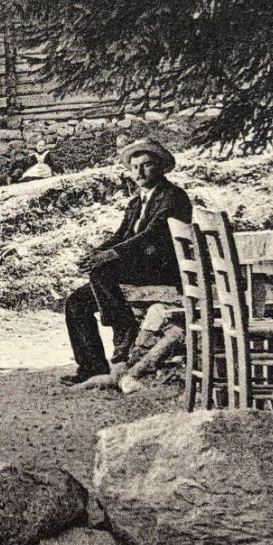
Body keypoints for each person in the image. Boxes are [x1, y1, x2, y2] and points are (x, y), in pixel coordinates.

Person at [61, 138, 192, 383]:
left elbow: (152, 234)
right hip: (135, 270)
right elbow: (121, 235)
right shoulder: (136, 203)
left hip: (162, 270)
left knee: (102, 270)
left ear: (161, 167)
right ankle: (93, 367)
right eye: (134, 167)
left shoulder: (173, 196)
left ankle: (123, 327)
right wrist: (95, 253)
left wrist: (108, 256)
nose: (139, 172)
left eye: (146, 165)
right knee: (76, 302)